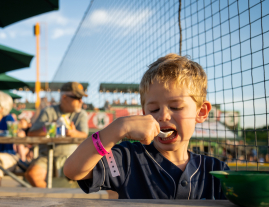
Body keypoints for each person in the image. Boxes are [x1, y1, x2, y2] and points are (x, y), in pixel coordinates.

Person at [64, 54, 229, 199]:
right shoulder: (127, 160)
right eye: (154, 109)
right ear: (144, 114)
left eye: (176, 107)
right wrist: (118, 128)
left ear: (201, 112)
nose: (163, 115)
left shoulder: (217, 171)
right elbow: (73, 170)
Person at [25, 82, 89, 188]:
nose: (81, 101)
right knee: (32, 174)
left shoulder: (81, 114)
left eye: (81, 98)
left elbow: (84, 135)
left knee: (92, 174)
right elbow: (31, 136)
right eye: (77, 97)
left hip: (71, 156)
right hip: (46, 156)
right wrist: (50, 127)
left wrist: (73, 133)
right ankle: (50, 200)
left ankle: (57, 199)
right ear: (64, 97)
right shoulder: (49, 111)